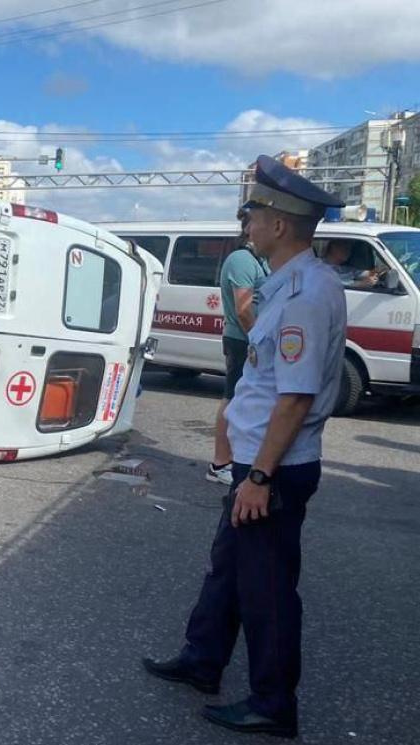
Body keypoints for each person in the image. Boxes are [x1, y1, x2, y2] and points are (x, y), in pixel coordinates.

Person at [143, 155, 346, 739]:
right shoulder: (288, 284)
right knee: (227, 570)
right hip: (259, 466)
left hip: (274, 471)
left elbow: (295, 398)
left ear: (280, 224)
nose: (247, 220)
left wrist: (258, 478)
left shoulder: (304, 295)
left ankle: (273, 704)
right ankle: (202, 660)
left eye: (254, 211)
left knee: (268, 591)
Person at [208, 218, 270, 485]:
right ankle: (220, 463)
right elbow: (244, 310)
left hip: (253, 337)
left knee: (245, 400)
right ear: (248, 227)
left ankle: (239, 458)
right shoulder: (242, 259)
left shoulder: (259, 259)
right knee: (232, 398)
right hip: (243, 339)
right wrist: (259, 342)